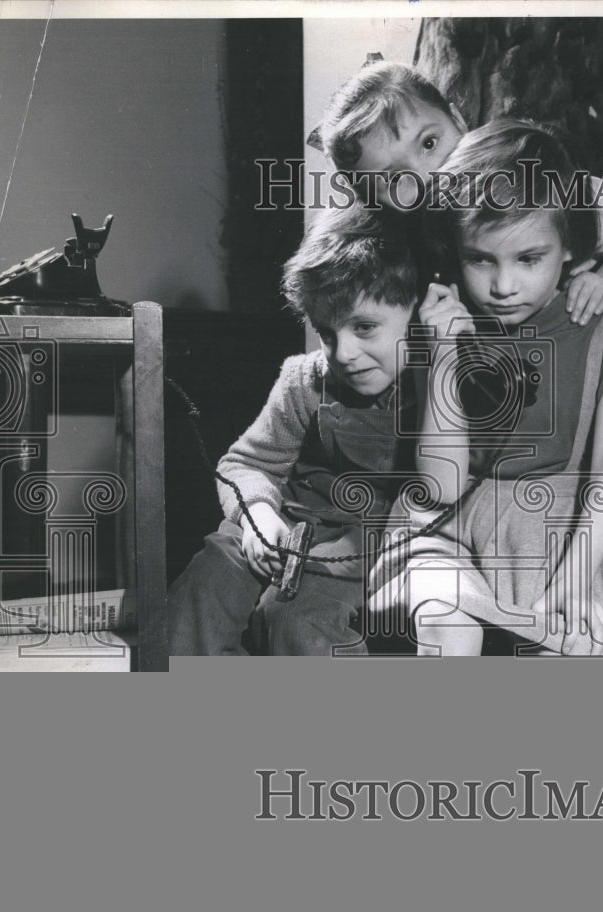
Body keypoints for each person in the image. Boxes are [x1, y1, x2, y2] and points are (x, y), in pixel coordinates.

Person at [368, 119, 603, 656]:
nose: (502, 287)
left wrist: (575, 574)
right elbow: (443, 488)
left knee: (573, 645)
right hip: (447, 529)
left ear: (570, 248)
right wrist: (444, 358)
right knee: (445, 624)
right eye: (481, 259)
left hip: (561, 535)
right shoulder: (444, 322)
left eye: (529, 259)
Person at [168, 203, 424, 656]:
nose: (343, 353)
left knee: (297, 624)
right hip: (281, 527)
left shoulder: (437, 394)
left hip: (359, 552)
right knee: (201, 589)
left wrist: (345, 556)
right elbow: (245, 463)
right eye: (327, 332)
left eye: (365, 328)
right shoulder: (306, 379)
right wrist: (257, 517)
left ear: (418, 314)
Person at [316, 61, 603, 326]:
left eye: (429, 143)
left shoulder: (533, 179)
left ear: (459, 121)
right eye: (393, 179)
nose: (425, 176)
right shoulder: (403, 242)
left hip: (596, 330)